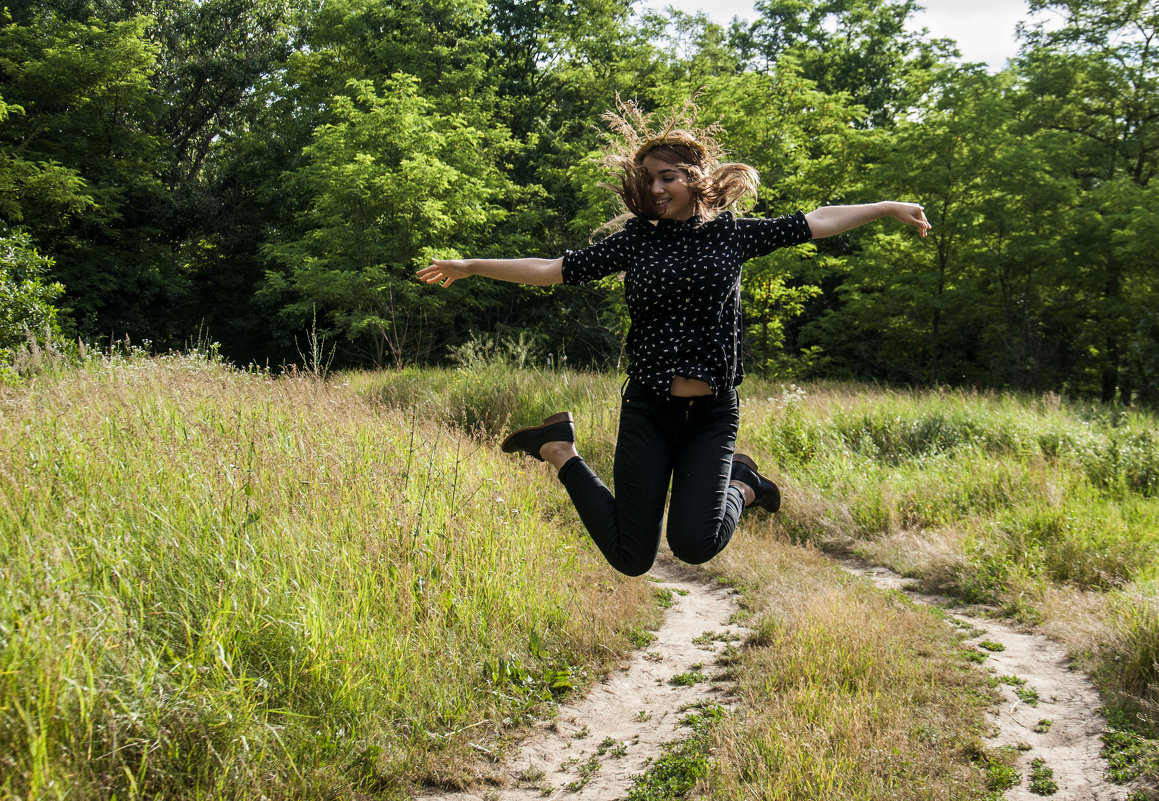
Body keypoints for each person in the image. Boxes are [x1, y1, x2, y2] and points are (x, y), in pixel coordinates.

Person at [416, 100, 930, 577]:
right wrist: (471, 266)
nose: (656, 189)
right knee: (631, 557)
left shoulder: (733, 234)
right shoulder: (637, 240)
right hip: (649, 409)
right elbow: (553, 269)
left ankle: (744, 486)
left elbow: (818, 221)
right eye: (648, 180)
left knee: (694, 544)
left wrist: (887, 206)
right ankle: (557, 449)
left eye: (667, 177)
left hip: (712, 414)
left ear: (695, 178)